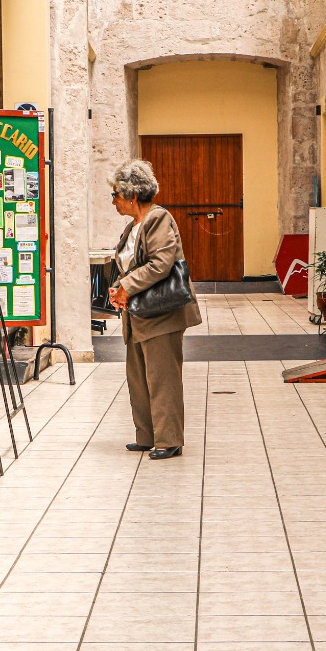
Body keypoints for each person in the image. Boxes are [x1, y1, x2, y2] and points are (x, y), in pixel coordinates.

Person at [107, 159, 201, 460]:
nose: (113, 201)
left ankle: (169, 439)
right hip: (138, 313)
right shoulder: (132, 225)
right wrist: (119, 288)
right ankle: (146, 435)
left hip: (162, 312)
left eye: (116, 194)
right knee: (138, 376)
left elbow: (161, 263)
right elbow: (131, 265)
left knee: (163, 378)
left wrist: (128, 286)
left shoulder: (158, 219)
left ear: (132, 195)